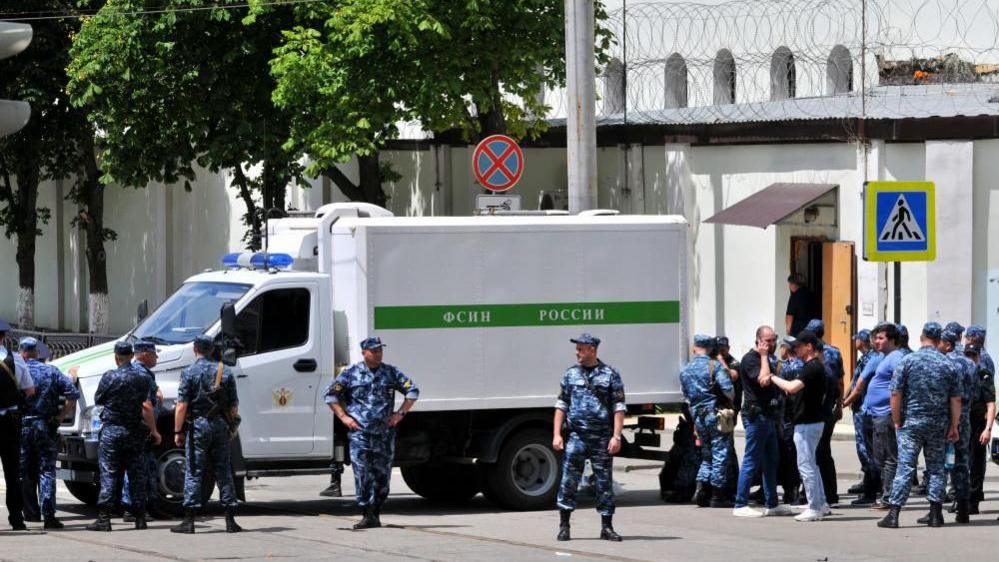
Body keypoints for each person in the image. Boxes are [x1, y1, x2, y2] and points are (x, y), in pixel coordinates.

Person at [325, 337, 419, 530]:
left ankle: (376, 512)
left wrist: (400, 413)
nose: (378, 354)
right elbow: (330, 395)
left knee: (382, 475)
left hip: (384, 433)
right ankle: (367, 513)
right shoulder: (351, 373)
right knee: (363, 473)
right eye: (374, 351)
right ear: (364, 353)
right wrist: (344, 417)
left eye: (380, 350)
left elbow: (412, 391)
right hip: (360, 433)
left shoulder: (390, 372)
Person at [877, 322, 960, 529]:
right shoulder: (948, 364)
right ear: (939, 339)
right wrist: (954, 425)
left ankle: (894, 513)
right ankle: (935, 514)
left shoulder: (908, 361)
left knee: (905, 466)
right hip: (938, 423)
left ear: (922, 336)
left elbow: (896, 393)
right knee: (936, 468)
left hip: (911, 423)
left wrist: (896, 419)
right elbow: (956, 399)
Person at [553, 333, 625, 541]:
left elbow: (618, 407)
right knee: (569, 481)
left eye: (581, 349)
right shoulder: (570, 374)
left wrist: (617, 436)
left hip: (602, 437)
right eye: (577, 349)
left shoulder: (610, 374)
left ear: (592, 350)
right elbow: (561, 405)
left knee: (604, 483)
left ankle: (606, 527)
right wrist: (557, 434)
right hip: (577, 436)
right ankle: (564, 526)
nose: (577, 353)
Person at [87, 341, 161, 532]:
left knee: (109, 473)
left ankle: (104, 518)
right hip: (135, 430)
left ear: (116, 357)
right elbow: (148, 403)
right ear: (132, 356)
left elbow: (99, 399)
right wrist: (153, 430)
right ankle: (140, 517)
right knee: (137, 473)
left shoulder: (110, 376)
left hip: (112, 430)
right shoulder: (143, 378)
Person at [171, 335, 242, 534]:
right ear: (212, 350)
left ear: (195, 349)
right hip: (220, 426)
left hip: (198, 427)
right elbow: (234, 405)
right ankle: (230, 520)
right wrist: (232, 428)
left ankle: (189, 521)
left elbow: (182, 405)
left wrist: (177, 431)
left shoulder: (189, 372)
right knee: (223, 472)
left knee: (194, 472)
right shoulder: (225, 371)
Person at [767, 332, 828, 521]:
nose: (795, 350)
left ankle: (815, 507)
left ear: (809, 346)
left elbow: (792, 387)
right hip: (810, 421)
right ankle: (821, 503)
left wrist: (772, 377)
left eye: (799, 346)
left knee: (806, 465)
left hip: (807, 423)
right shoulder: (811, 366)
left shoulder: (812, 367)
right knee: (811, 464)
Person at [17, 337, 78, 529]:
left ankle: (31, 513)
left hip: (23, 426)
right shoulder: (51, 371)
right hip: (46, 426)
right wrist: (60, 417)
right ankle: (49, 515)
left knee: (25, 471)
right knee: (47, 471)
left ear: (22, 352)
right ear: (37, 351)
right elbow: (72, 394)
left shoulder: (19, 371)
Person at [732, 326, 792, 518]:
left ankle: (772, 503)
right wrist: (764, 356)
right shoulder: (751, 359)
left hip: (769, 415)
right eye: (767, 341)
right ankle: (740, 504)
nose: (772, 344)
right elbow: (764, 380)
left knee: (771, 461)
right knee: (751, 460)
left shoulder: (767, 359)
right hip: (756, 415)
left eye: (774, 340)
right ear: (758, 341)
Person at [844, 322, 898, 510]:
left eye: (880, 338)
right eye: (875, 338)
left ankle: (880, 495)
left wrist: (845, 402)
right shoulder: (880, 357)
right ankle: (880, 493)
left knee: (882, 456)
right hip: (874, 412)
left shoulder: (883, 358)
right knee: (879, 456)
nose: (876, 341)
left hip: (880, 414)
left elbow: (859, 385)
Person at [680, 335, 734, 509]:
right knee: (720, 452)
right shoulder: (715, 366)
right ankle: (717, 496)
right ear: (710, 349)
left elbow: (687, 398)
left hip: (698, 415)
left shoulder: (685, 370)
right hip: (715, 414)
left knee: (706, 453)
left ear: (694, 348)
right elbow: (728, 390)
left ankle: (702, 489)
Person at [123, 340, 168, 521]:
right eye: (153, 354)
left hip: (131, 427)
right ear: (144, 354)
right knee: (141, 468)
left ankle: (144, 506)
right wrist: (154, 430)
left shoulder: (130, 370)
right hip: (142, 429)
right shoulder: (143, 374)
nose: (156, 357)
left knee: (143, 467)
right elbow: (146, 405)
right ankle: (136, 508)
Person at [935, 329, 975, 523]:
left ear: (948, 345)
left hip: (950, 418)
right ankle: (963, 509)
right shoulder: (970, 362)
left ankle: (936, 510)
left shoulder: (946, 362)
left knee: (940, 464)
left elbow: (947, 395)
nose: (937, 346)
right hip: (965, 418)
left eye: (940, 342)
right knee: (961, 465)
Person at [803, 319, 844, 505]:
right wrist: (840, 405)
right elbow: (840, 382)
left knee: (811, 453)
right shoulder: (835, 351)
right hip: (828, 407)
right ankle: (831, 493)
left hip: (815, 409)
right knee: (824, 451)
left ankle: (814, 494)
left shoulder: (808, 354)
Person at [0, 320, 36, 531]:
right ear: (4, 337)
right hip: (10, 422)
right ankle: (16, 519)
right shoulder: (16, 360)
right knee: (13, 472)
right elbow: (30, 390)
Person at [846, 329, 879, 503]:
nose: (855, 341)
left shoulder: (870, 359)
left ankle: (871, 486)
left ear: (863, 341)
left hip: (864, 408)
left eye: (856, 339)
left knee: (865, 448)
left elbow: (859, 387)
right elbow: (854, 381)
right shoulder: (867, 358)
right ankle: (870, 482)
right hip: (862, 407)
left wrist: (844, 402)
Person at [963, 343, 995, 516]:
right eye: (967, 355)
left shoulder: (984, 376)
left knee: (976, 464)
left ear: (978, 357)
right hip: (961, 425)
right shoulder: (959, 374)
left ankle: (973, 501)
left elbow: (991, 405)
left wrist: (988, 429)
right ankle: (961, 499)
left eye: (973, 356)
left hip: (977, 426)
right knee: (959, 464)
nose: (970, 359)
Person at [775, 338, 804, 505]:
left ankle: (790, 491)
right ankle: (798, 491)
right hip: (800, 415)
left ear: (786, 349)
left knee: (788, 455)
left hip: (787, 416)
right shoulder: (804, 366)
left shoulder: (784, 367)